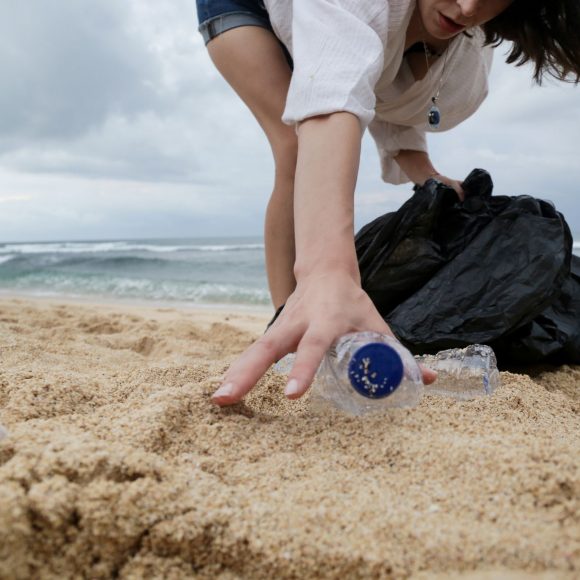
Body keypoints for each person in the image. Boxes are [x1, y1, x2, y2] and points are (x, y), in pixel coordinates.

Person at [196, 0, 580, 406]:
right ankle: (290, 318)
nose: (467, 6)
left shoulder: (471, 51)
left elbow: (377, 78)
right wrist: (327, 273)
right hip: (250, 8)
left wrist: (422, 168)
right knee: (293, 147)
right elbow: (334, 93)